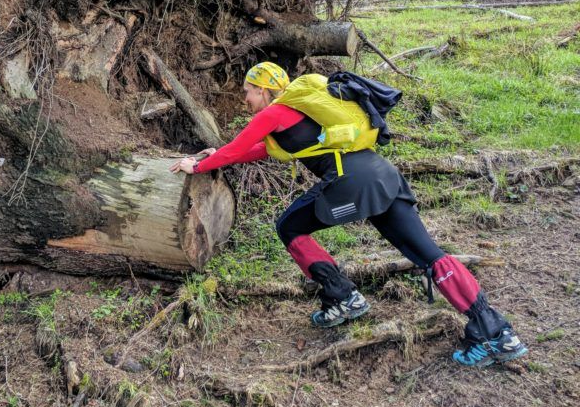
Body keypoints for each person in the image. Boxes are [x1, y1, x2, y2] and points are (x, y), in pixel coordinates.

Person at [170, 61, 527, 368]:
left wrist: (195, 166)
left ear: (265, 90)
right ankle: (496, 332)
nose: (245, 99)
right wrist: (209, 158)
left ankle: (342, 297)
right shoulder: (300, 116)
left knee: (290, 227)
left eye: (248, 91)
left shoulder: (274, 112)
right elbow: (251, 151)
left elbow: (238, 144)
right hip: (382, 174)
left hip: (352, 182)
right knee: (428, 254)